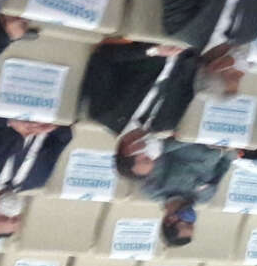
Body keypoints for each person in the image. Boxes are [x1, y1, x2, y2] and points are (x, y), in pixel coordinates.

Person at [78, 41, 209, 172]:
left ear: (129, 151)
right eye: (153, 160)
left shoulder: (104, 113)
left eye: (147, 159)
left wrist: (154, 51)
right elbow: (189, 84)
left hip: (150, 43)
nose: (154, 155)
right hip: (192, 49)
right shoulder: (168, 123)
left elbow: (104, 56)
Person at [0, 115, 72, 237]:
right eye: (15, 218)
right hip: (47, 115)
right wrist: (52, 127)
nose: (11, 212)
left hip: (9, 112)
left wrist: (10, 123)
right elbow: (63, 138)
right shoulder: (38, 180)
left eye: (3, 217)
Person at [137, 138, 233, 246]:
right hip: (222, 142)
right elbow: (224, 166)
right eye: (192, 223)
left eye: (187, 223)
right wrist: (231, 151)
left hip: (189, 138)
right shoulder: (204, 197)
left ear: (169, 220)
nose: (192, 219)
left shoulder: (154, 190)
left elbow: (160, 150)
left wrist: (191, 139)